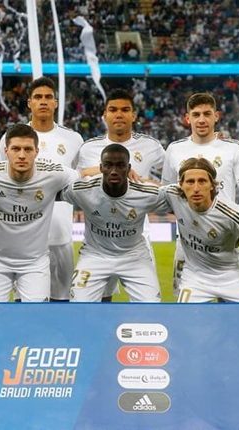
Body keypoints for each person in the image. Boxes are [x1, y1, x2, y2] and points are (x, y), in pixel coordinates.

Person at [0, 124, 79, 302]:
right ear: (6, 151)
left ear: (37, 152)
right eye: (16, 149)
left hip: (35, 263)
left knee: (33, 315)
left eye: (28, 149)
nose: (22, 155)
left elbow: (83, 179)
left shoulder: (54, 173)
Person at [0, 77, 84, 301]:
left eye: (48, 97)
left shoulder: (73, 139)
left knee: (62, 302)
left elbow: (80, 183)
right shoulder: (11, 137)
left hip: (60, 234)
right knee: (25, 304)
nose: (43, 101)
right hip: (22, 240)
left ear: (56, 103)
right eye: (37, 97)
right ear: (29, 103)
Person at [162, 92, 239, 295]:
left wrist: (233, 222)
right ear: (187, 118)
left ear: (217, 116)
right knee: (185, 304)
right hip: (188, 241)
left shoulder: (235, 148)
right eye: (196, 114)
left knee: (233, 304)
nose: (202, 119)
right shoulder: (174, 149)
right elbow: (166, 194)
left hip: (225, 237)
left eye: (207, 114)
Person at [77, 88, 165, 301]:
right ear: (104, 115)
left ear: (133, 115)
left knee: (148, 306)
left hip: (137, 237)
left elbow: (167, 183)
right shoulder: (89, 148)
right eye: (113, 110)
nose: (119, 114)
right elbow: (77, 179)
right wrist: (102, 170)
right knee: (98, 300)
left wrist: (145, 183)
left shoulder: (151, 146)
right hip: (98, 238)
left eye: (125, 110)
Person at [63, 144, 167, 302]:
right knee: (79, 306)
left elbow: (177, 198)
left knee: (150, 306)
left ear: (128, 168)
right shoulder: (82, 190)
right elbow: (50, 193)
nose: (113, 171)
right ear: (101, 168)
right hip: (94, 255)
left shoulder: (146, 193)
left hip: (134, 257)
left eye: (120, 165)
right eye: (108, 165)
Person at [160, 157, 239, 302]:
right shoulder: (172, 195)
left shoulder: (231, 214)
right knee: (184, 314)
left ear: (212, 185)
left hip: (232, 276)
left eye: (202, 181)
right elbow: (144, 193)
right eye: (190, 182)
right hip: (195, 277)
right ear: (181, 185)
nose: (196, 188)